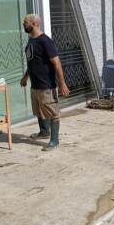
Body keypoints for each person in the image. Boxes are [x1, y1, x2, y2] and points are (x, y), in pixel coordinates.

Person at [20, 14, 70, 151]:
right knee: (38, 111)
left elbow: (57, 63)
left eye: (25, 22)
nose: (23, 24)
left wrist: (62, 84)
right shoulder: (31, 41)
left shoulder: (45, 41)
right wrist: (25, 77)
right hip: (35, 85)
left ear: (34, 23)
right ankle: (44, 132)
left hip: (46, 85)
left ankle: (54, 140)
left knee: (53, 113)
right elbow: (33, 62)